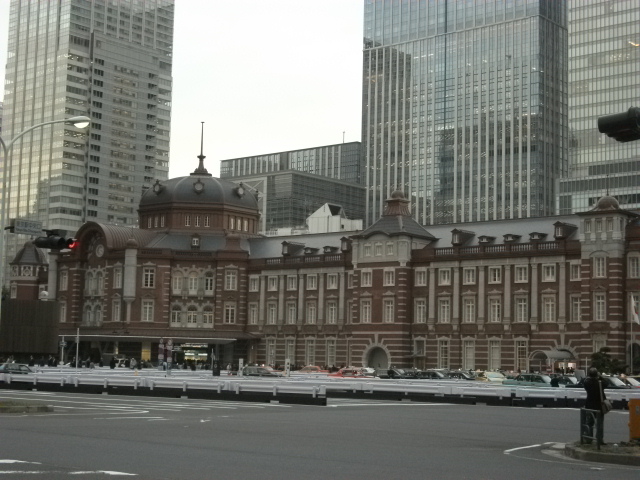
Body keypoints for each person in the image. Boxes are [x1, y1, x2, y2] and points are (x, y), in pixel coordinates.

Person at [583, 367, 607, 445]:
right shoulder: (600, 383)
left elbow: (584, 381)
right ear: (597, 374)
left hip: (589, 404)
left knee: (589, 423)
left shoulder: (587, 383)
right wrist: (600, 376)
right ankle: (599, 439)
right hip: (599, 405)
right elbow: (606, 383)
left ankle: (588, 439)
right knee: (600, 424)